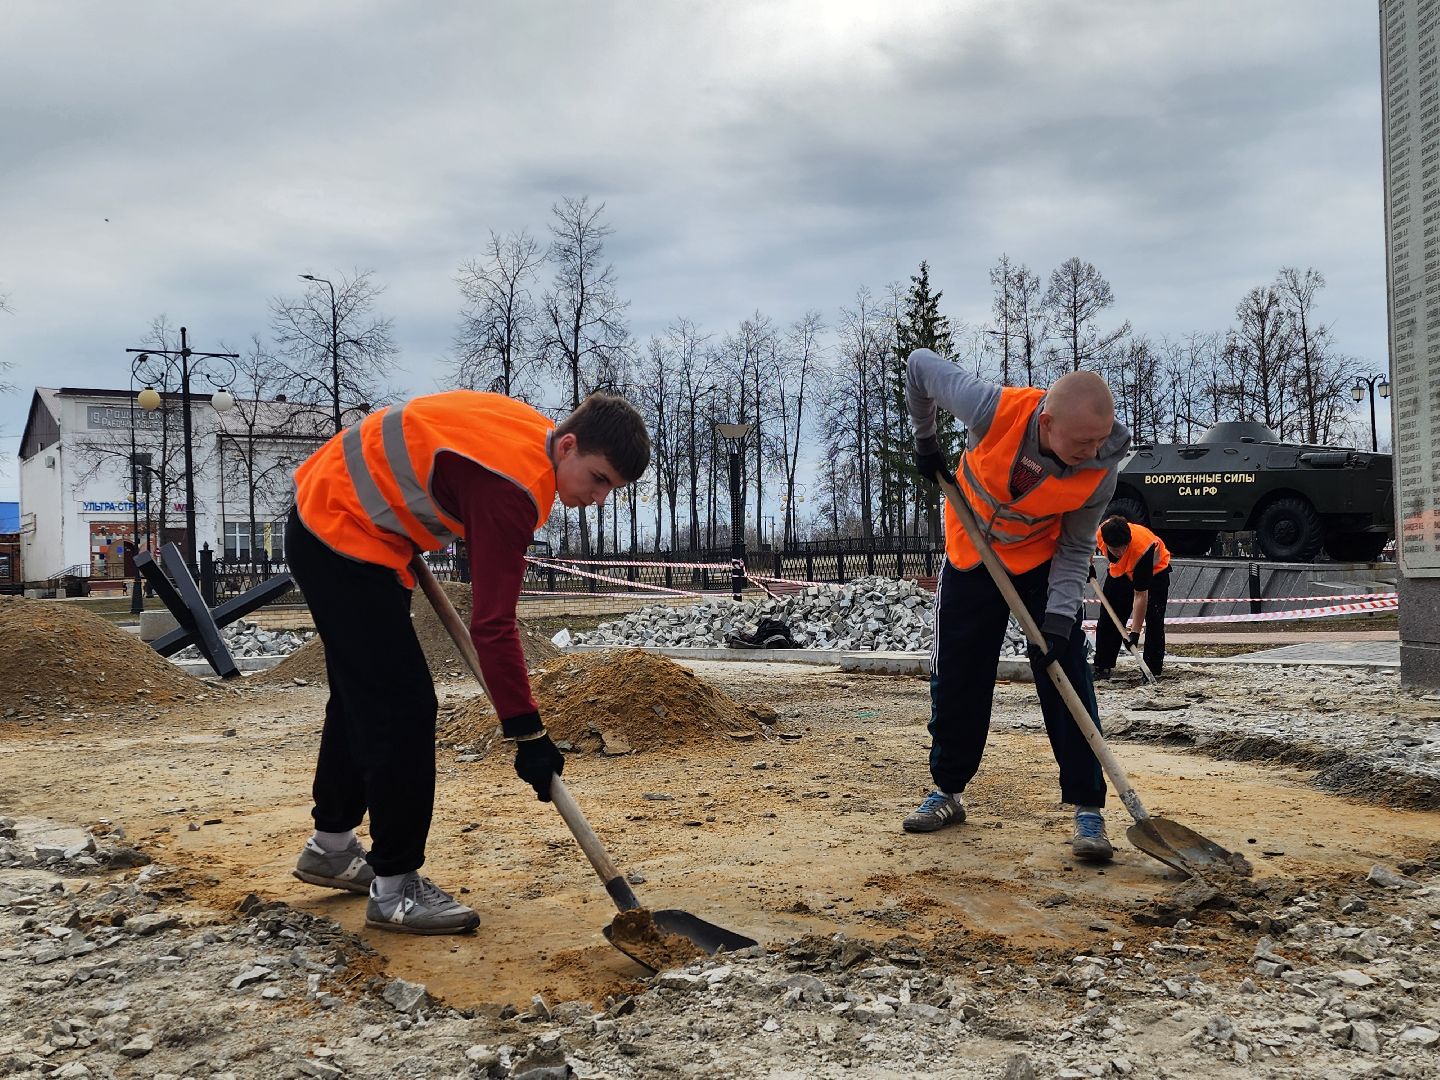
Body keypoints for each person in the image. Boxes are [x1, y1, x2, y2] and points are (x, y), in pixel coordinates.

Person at [286, 390, 650, 934]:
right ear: (568, 445)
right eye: (598, 479)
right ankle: (394, 889)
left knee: (365, 693)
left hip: (342, 516)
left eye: (611, 491)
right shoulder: (514, 489)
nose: (598, 498)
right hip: (341, 533)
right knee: (403, 705)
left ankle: (332, 847)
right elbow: (494, 625)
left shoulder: (530, 435)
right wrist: (526, 733)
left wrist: (398, 512)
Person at [904, 348, 1131, 862]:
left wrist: (1056, 623)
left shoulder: (1101, 469)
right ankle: (948, 790)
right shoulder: (992, 409)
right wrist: (926, 440)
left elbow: (1075, 548)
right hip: (970, 551)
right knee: (960, 673)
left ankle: (1088, 809)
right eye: (1082, 441)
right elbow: (919, 365)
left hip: (1040, 562)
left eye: (1100, 440)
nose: (1093, 451)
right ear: (1046, 422)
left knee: (1066, 670)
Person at [1092, 515, 1171, 679]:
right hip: (1120, 572)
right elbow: (1084, 546)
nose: (1120, 552)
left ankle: (1152, 669)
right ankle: (1102, 665)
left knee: (1154, 620)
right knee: (1109, 616)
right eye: (1115, 549)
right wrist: (1088, 565)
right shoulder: (1100, 532)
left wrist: (1134, 633)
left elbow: (1141, 595)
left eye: (1123, 547)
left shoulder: (1143, 548)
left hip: (1155, 573)